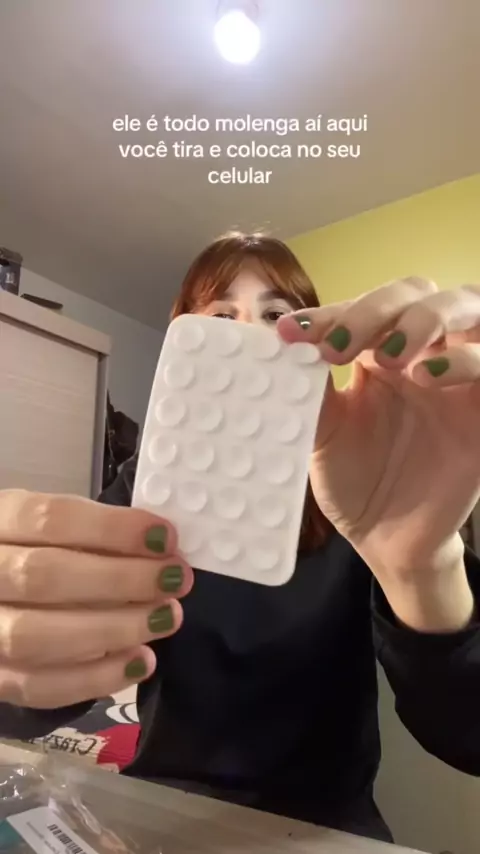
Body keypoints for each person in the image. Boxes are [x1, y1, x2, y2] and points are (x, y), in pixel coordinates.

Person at [1, 232, 480, 843]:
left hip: (323, 831)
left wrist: (421, 566)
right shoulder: (144, 488)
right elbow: (27, 703)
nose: (250, 334)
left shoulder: (365, 485)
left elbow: (470, 736)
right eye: (222, 316)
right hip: (160, 815)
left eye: (278, 315)